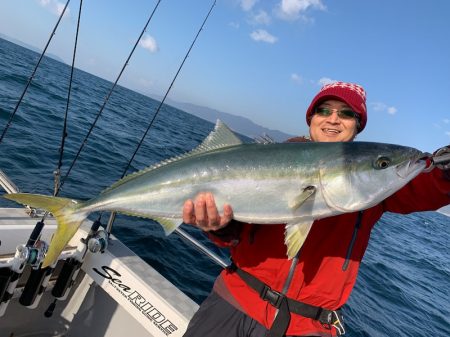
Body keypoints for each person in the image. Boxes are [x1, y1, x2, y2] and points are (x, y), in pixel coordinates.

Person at [181, 82, 450, 337]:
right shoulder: (267, 158)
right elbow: (232, 236)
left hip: (308, 326)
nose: (333, 119)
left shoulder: (374, 185)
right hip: (235, 301)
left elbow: (430, 187)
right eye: (324, 110)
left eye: (346, 114)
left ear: (357, 126)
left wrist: (446, 172)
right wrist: (219, 226)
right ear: (311, 118)